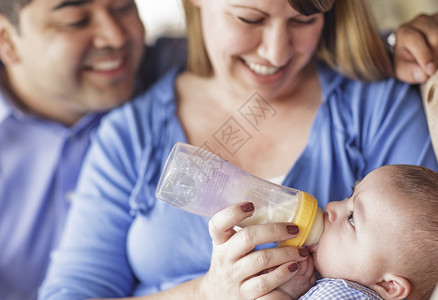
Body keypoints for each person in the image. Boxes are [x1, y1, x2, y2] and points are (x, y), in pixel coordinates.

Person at [38, 0, 438, 299]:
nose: (275, 52)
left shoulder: (377, 106)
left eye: (303, 20)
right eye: (250, 18)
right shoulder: (131, 135)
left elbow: (420, 261)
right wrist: (207, 292)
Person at [0, 0, 186, 299]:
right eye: (76, 21)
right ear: (6, 41)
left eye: (123, 7)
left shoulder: (183, 75)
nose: (115, 37)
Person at [297, 164, 438, 300]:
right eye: (350, 194)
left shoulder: (336, 295)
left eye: (351, 219)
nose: (330, 206)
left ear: (388, 285)